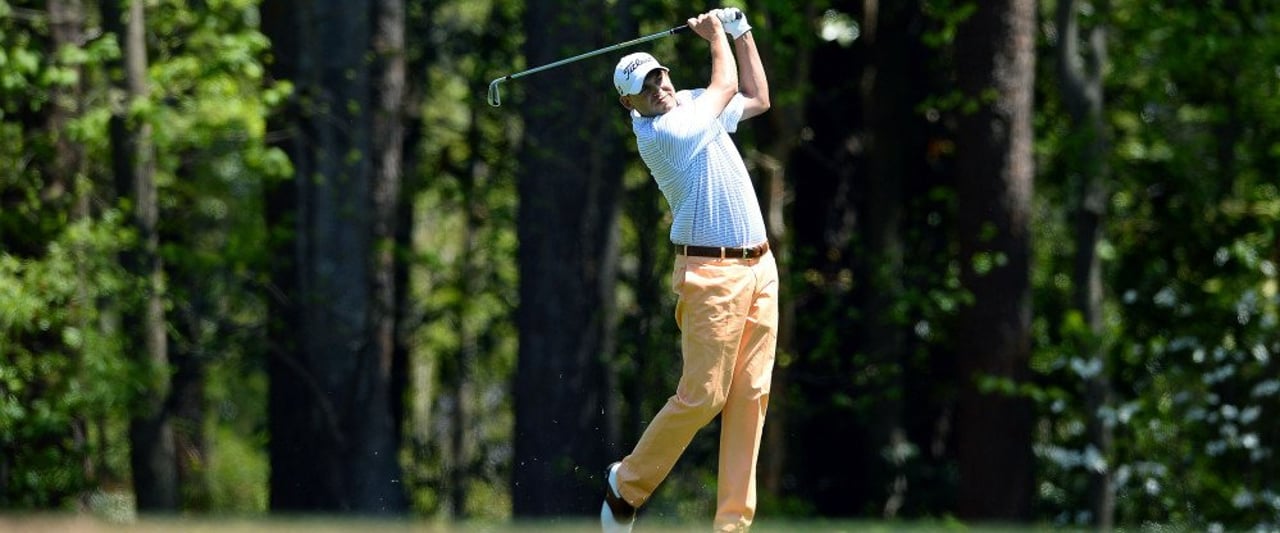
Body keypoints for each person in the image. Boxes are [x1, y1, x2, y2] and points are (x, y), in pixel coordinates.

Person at [602, 8, 776, 533]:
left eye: (659, 77)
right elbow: (726, 84)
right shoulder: (664, 132)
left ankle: (731, 525)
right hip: (711, 276)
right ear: (629, 103)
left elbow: (757, 97)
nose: (658, 88)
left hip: (760, 267)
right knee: (704, 395)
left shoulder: (694, 103)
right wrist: (717, 35)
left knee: (750, 397)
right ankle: (626, 482)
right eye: (644, 87)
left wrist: (742, 32)